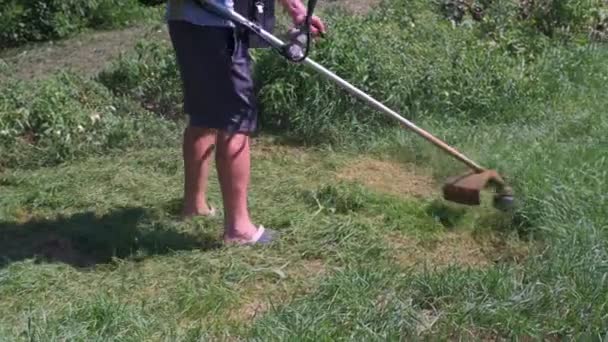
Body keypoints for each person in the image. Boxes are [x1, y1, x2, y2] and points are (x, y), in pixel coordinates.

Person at [165, 0, 326, 245]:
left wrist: (297, 9)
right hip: (217, 22)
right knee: (236, 119)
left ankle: (194, 205)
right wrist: (295, 8)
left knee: (204, 114)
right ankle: (238, 229)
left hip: (184, 18)